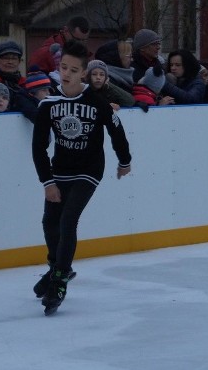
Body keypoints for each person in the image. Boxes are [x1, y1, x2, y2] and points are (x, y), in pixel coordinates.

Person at [31, 40, 132, 315]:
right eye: (63, 67)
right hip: (59, 169)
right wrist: (47, 181)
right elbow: (38, 147)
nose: (67, 74)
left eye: (74, 70)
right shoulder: (49, 104)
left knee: (67, 219)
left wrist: (125, 161)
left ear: (83, 74)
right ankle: (57, 267)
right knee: (49, 221)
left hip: (88, 170)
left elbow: (116, 132)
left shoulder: (98, 102)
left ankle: (60, 280)